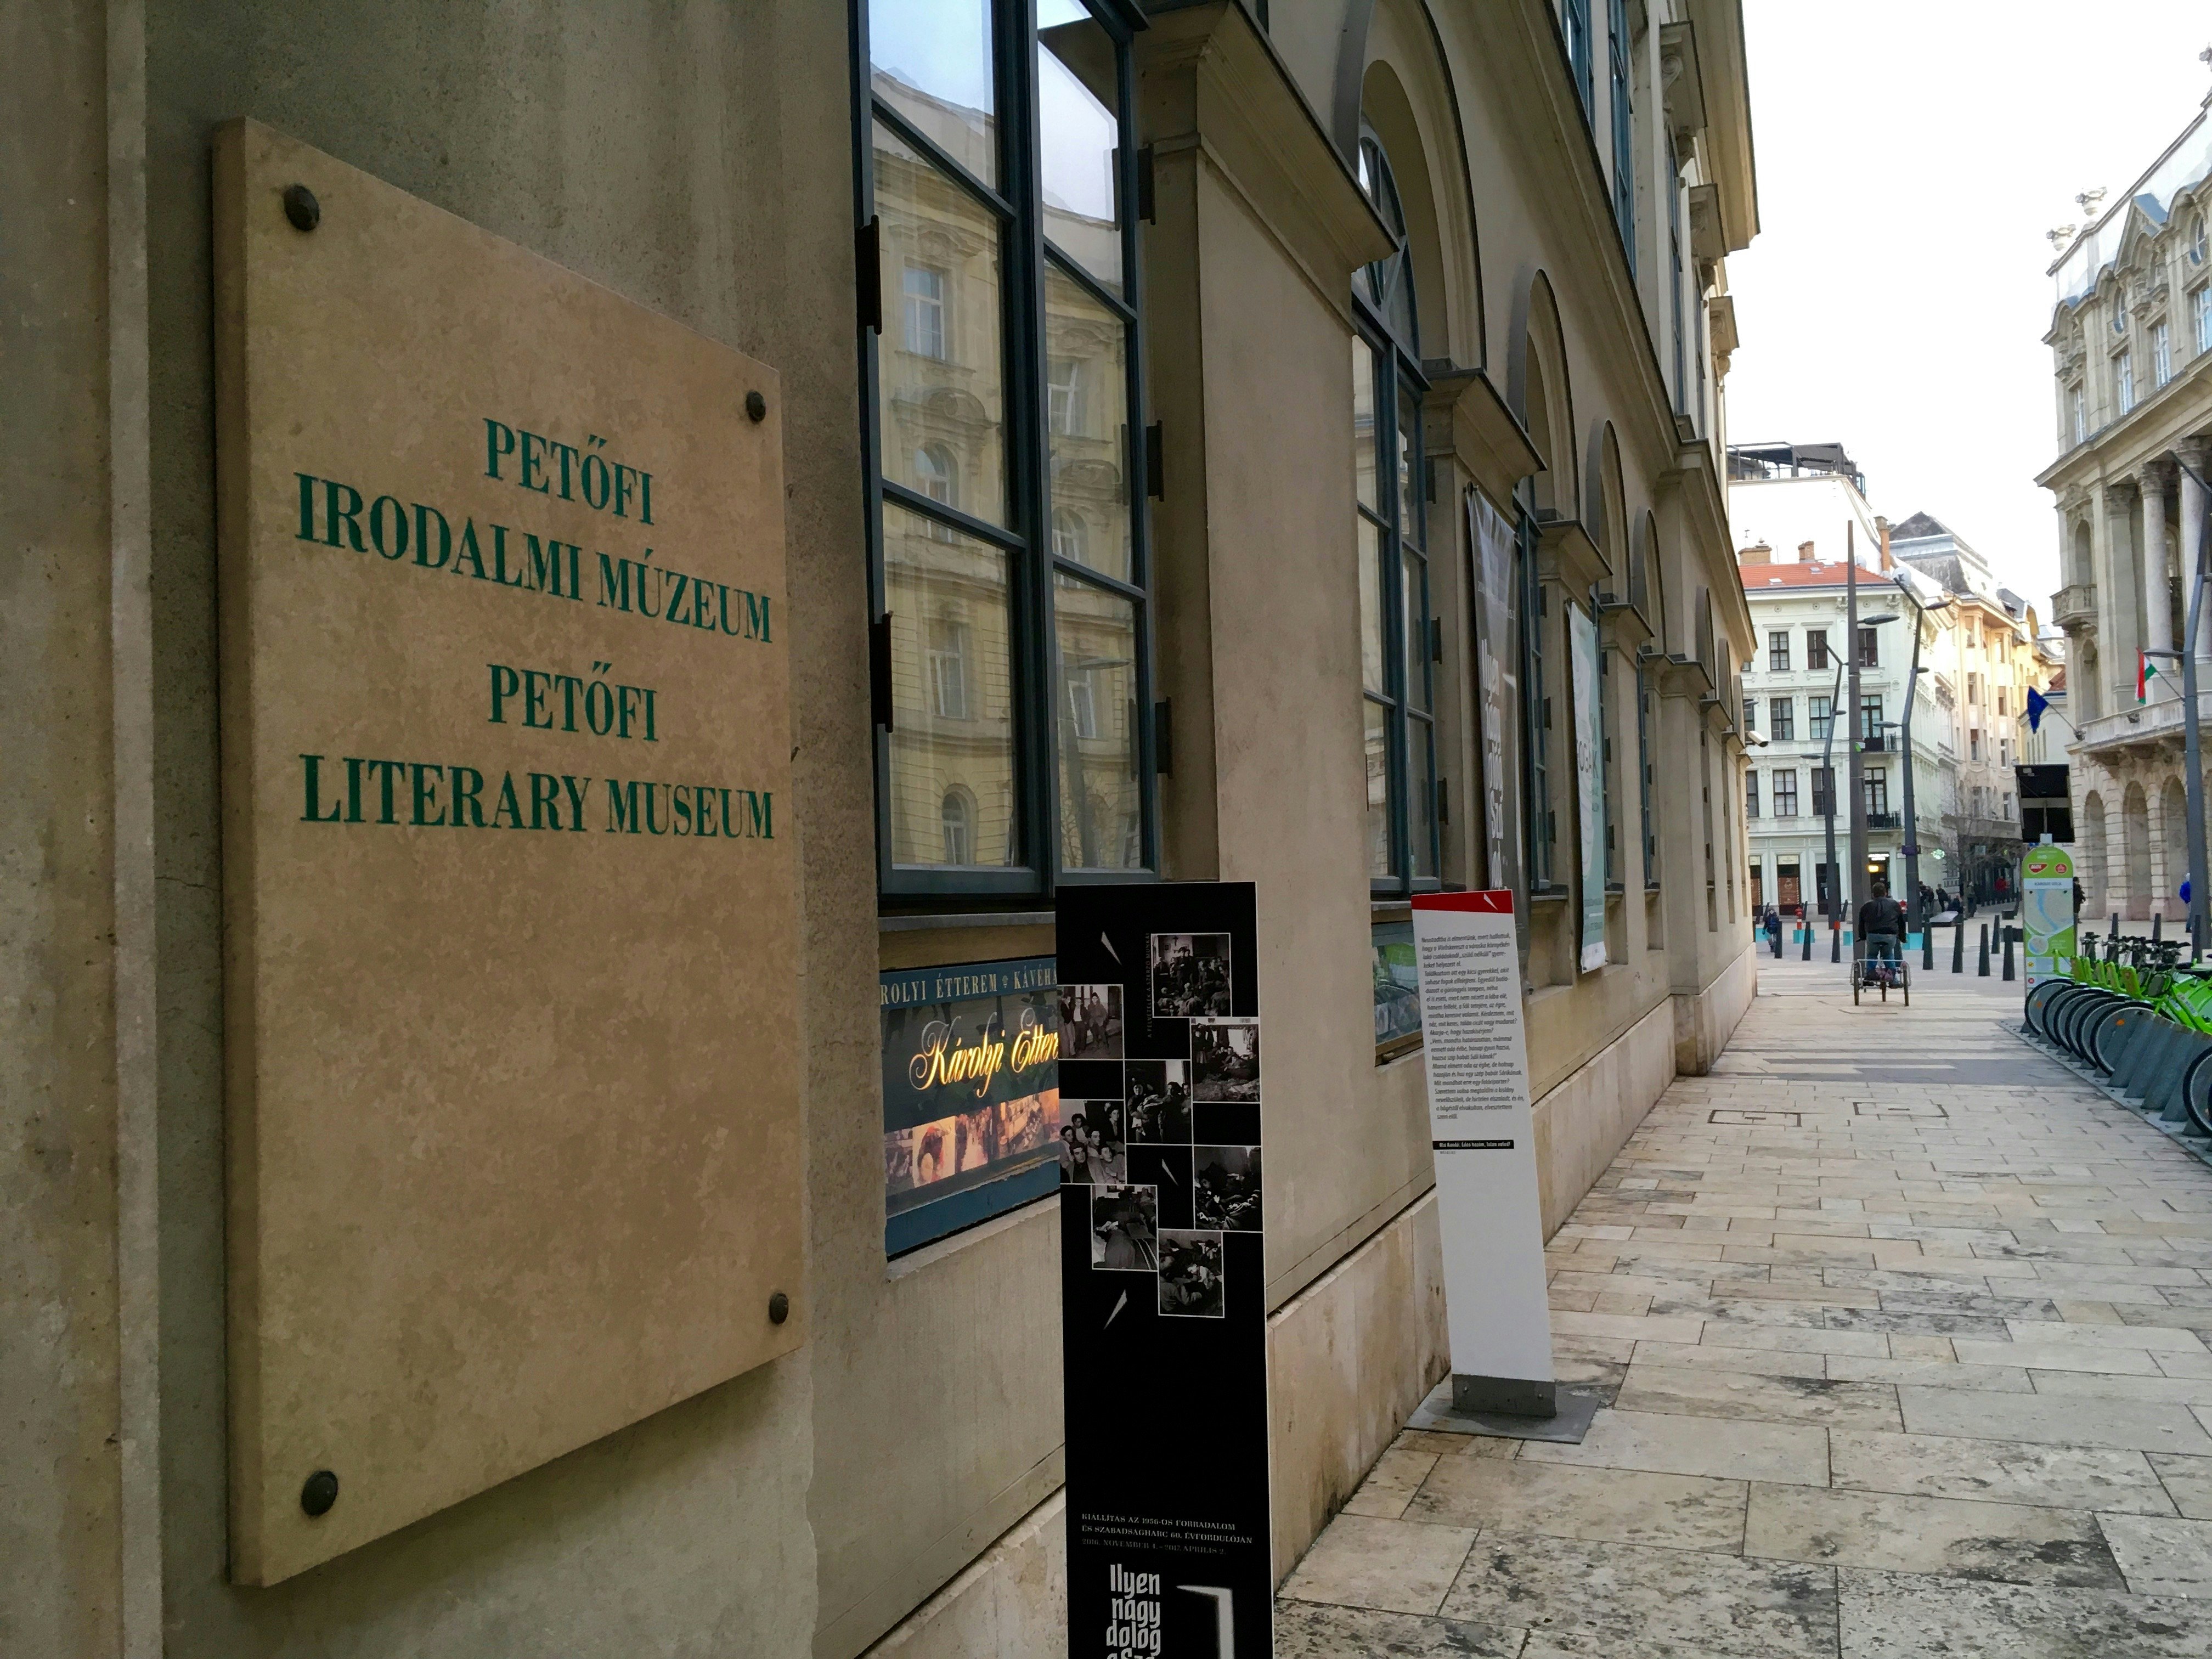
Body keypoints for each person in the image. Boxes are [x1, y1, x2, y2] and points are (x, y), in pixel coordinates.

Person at [1858, 880, 1906, 984]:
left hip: (1873, 934)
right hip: (1890, 935)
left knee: (1871, 954)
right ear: (1886, 893)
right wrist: (1902, 937)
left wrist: (1862, 936)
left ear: (1873, 894)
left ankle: (1869, 976)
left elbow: (1861, 923)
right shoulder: (1894, 904)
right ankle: (1893, 979)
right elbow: (1901, 922)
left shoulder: (1867, 906)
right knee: (1889, 954)